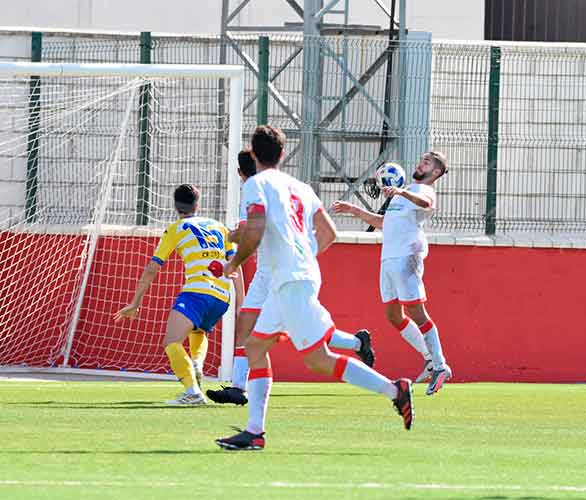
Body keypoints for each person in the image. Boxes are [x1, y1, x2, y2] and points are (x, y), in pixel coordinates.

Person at [215, 126, 413, 450]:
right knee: (255, 347)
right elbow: (329, 232)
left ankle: (395, 390)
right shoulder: (301, 187)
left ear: (253, 153)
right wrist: (301, 257)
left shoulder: (255, 184)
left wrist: (233, 263)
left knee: (319, 360)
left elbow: (257, 229)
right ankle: (254, 431)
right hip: (294, 278)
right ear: (283, 153)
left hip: (291, 281)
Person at [207, 150, 375, 406]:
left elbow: (249, 232)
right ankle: (239, 388)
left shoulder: (255, 189)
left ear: (240, 173)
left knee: (305, 334)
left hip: (279, 273)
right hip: (268, 273)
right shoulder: (285, 188)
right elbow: (327, 232)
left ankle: (371, 362)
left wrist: (230, 238)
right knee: (247, 324)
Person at [331, 152, 451, 395]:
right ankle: (429, 358)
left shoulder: (423, 190)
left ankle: (440, 366)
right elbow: (384, 222)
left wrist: (401, 192)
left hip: (406, 258)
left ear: (436, 172)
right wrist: (353, 209)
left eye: (427, 162)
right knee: (394, 315)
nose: (420, 163)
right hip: (388, 259)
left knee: (417, 312)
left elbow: (428, 205)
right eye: (422, 159)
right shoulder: (406, 192)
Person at [114, 184, 244, 405]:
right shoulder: (219, 226)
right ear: (198, 204)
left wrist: (135, 303)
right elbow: (236, 264)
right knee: (199, 330)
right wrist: (242, 304)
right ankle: (196, 364)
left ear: (175, 206)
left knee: (171, 342)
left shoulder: (176, 228)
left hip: (197, 292)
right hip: (222, 297)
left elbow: (152, 268)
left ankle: (192, 392)